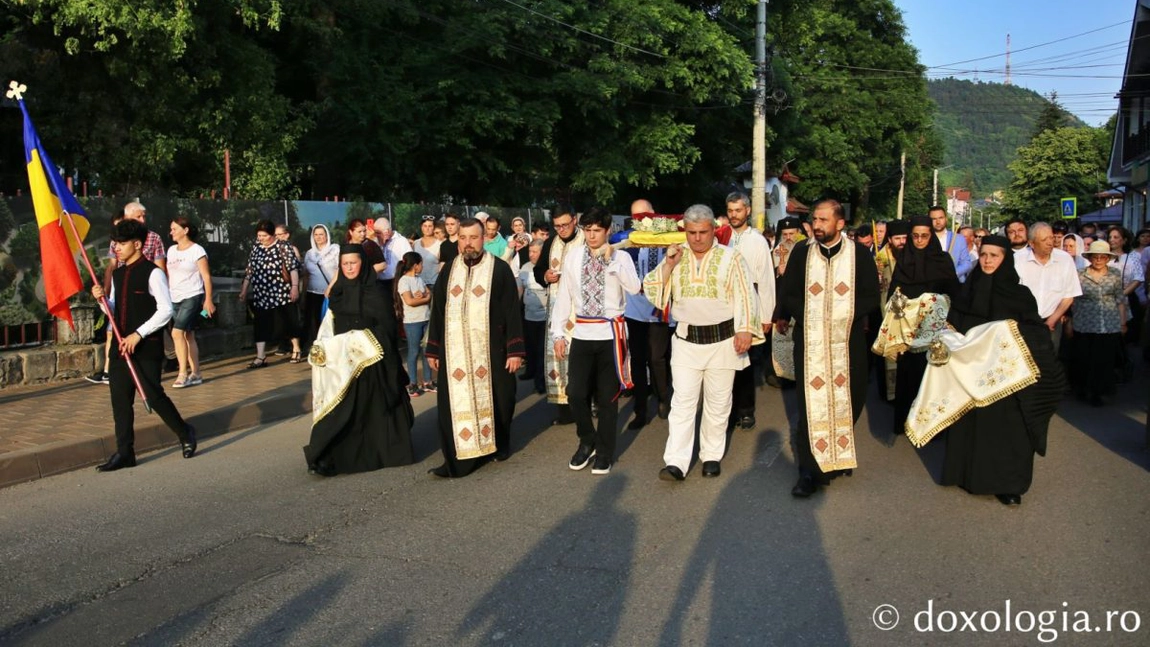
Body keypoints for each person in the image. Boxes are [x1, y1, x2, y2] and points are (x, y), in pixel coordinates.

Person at [941, 235, 1065, 506]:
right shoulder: (966, 292)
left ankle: (1008, 485)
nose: (987, 260)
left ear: (1005, 259)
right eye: (984, 255)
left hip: (1006, 378)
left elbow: (1036, 332)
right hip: (971, 375)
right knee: (972, 426)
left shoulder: (1020, 295)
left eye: (994, 256)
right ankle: (969, 476)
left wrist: (1004, 336)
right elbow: (953, 328)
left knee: (1008, 429)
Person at [645, 205, 762, 481]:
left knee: (718, 403)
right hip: (686, 341)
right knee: (682, 403)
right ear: (685, 230)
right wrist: (669, 264)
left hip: (723, 341)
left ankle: (710, 455)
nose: (697, 238)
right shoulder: (676, 255)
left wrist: (745, 329)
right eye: (692, 232)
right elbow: (652, 289)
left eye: (703, 232)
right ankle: (676, 462)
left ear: (713, 230)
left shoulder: (731, 257)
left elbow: (747, 294)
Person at [774, 199, 880, 498]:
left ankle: (836, 455)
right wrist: (810, 312)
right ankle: (809, 471)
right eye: (815, 220)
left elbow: (871, 296)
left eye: (823, 220)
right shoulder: (802, 253)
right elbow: (790, 293)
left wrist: (842, 313)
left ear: (840, 223)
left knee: (851, 397)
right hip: (810, 343)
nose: (817, 225)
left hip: (849, 342)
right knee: (811, 403)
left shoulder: (859, 255)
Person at [90, 219, 196, 471]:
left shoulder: (153, 272)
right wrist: (101, 300)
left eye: (122, 243)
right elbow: (113, 309)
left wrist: (138, 334)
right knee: (120, 400)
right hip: (120, 347)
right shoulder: (117, 273)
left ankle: (185, 432)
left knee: (152, 394)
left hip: (145, 346)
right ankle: (124, 452)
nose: (116, 247)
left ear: (137, 245)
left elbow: (166, 310)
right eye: (115, 243)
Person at [426, 219, 525, 477]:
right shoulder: (449, 271)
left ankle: (498, 445)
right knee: (452, 402)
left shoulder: (499, 270)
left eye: (473, 237)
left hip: (492, 350)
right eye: (463, 238)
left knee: (501, 399)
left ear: (483, 239)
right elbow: (437, 311)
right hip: (454, 351)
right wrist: (433, 349)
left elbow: (513, 312)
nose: (468, 243)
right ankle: (458, 456)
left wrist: (515, 350)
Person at [304, 244, 414, 476]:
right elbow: (330, 327)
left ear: (362, 263)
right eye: (345, 264)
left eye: (353, 262)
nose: (350, 267)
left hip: (374, 365)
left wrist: (361, 340)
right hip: (345, 368)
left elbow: (388, 327)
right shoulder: (337, 293)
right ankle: (335, 456)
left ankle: (383, 453)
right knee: (344, 413)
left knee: (377, 410)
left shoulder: (375, 291)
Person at [552, 207, 641, 475]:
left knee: (607, 398)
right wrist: (558, 332)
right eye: (587, 230)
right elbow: (564, 295)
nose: (591, 236)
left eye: (596, 231)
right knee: (575, 394)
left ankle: (604, 451)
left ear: (607, 231)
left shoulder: (621, 256)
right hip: (581, 333)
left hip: (610, 336)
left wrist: (612, 261)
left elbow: (634, 288)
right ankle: (587, 440)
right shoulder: (574, 256)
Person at [890, 216, 960, 435]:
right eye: (915, 236)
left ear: (931, 236)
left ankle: (933, 425)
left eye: (924, 236)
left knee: (934, 378)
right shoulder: (904, 260)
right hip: (910, 331)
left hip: (935, 331)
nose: (919, 240)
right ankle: (906, 422)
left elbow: (954, 293)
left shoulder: (943, 260)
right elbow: (894, 293)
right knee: (909, 377)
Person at [724, 192, 775, 430]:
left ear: (747, 211)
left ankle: (746, 410)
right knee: (726, 362)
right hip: (724, 306)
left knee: (746, 361)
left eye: (738, 210)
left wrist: (766, 314)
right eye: (730, 210)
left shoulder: (757, 240)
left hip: (749, 304)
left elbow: (765, 278)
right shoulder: (720, 238)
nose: (734, 215)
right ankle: (728, 410)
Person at [623, 198, 675, 425]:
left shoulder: (668, 240)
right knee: (637, 359)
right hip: (634, 309)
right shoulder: (629, 240)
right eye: (635, 217)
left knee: (657, 358)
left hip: (659, 309)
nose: (640, 220)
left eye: (643, 215)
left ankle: (664, 398)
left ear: (654, 214)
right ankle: (640, 411)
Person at [534, 205, 585, 425]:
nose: (561, 229)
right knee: (557, 358)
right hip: (557, 309)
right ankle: (564, 411)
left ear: (574, 220)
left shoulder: (586, 239)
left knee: (581, 360)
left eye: (565, 224)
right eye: (557, 226)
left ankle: (587, 406)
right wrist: (545, 275)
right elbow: (538, 271)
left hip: (582, 310)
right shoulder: (550, 243)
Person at [1070, 240, 1126, 406]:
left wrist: (1123, 322)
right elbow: (1072, 298)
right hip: (1084, 321)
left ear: (1108, 258)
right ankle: (1082, 389)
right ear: (1090, 257)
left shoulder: (1115, 274)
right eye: (1096, 256)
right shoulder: (1079, 274)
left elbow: (1120, 299)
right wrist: (1069, 320)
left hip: (1108, 323)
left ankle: (1099, 392)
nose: (1099, 260)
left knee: (1103, 359)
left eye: (1103, 257)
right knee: (1084, 358)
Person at [239, 220, 302, 367]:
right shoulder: (256, 247)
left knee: (289, 320)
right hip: (261, 293)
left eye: (264, 235)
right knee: (260, 324)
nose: (261, 238)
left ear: (272, 235)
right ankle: (260, 356)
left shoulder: (283, 246)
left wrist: (294, 287)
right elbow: (250, 269)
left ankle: (296, 348)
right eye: (259, 235)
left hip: (281, 292)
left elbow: (293, 268)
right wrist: (244, 289)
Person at [1015, 222, 1082, 353]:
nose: (1050, 243)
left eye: (1051, 238)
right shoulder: (1018, 259)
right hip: (1023, 321)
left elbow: (1069, 295)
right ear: (1032, 243)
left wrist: (1052, 320)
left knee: (1050, 361)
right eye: (1044, 239)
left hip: (1052, 321)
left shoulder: (1064, 259)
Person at [166, 217, 214, 388]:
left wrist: (208, 300)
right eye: (171, 229)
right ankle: (196, 373)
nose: (171, 232)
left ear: (185, 230)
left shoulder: (197, 250)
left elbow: (206, 276)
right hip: (174, 297)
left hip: (192, 296)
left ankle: (182, 374)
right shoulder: (171, 250)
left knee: (176, 333)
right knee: (188, 335)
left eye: (174, 229)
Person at [87, 210, 125, 385]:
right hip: (117, 291)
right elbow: (111, 267)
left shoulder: (147, 239)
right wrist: (106, 290)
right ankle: (108, 371)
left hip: (135, 290)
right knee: (111, 332)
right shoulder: (114, 244)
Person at [396, 251, 434, 396]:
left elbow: (428, 294)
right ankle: (412, 383)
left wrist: (424, 296)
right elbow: (410, 301)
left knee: (426, 351)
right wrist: (424, 298)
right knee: (413, 351)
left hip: (425, 318)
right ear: (415, 265)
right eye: (421, 264)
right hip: (412, 321)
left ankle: (427, 381)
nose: (422, 266)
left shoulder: (419, 279)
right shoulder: (404, 281)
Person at [518, 239, 549, 394]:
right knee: (530, 348)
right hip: (528, 315)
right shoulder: (524, 268)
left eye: (535, 252)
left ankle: (541, 381)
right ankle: (530, 371)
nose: (531, 254)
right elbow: (519, 289)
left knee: (541, 351)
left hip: (544, 317)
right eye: (530, 251)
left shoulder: (547, 268)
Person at [302, 224, 339, 347]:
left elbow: (340, 269)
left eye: (321, 234)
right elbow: (306, 274)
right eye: (316, 234)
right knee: (313, 322)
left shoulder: (335, 250)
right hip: (313, 293)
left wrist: (330, 287)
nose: (318, 237)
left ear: (327, 235)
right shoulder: (309, 254)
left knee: (329, 321)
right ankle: (316, 348)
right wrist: (303, 294)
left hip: (330, 293)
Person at [1106, 226, 1144, 345]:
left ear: (1124, 240)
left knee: (1125, 334)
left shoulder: (1132, 257)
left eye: (1116, 237)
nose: (1112, 239)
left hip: (1127, 297)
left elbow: (1138, 278)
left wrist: (1123, 293)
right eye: (1110, 237)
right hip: (1106, 298)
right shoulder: (1104, 256)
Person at [374, 216, 412, 307]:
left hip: (396, 280)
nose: (376, 235)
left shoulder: (401, 241)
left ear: (387, 231)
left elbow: (409, 261)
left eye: (378, 233)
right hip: (380, 282)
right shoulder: (376, 242)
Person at [928, 206, 974, 281]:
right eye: (934, 219)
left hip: (955, 283)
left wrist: (952, 273)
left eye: (941, 218)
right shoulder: (925, 239)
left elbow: (967, 263)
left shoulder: (958, 239)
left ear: (946, 219)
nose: (938, 222)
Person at [413, 214, 443, 288]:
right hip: (418, 283)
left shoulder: (439, 244)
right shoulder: (415, 243)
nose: (427, 228)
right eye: (425, 226)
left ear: (434, 228)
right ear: (421, 227)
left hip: (434, 283)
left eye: (430, 226)